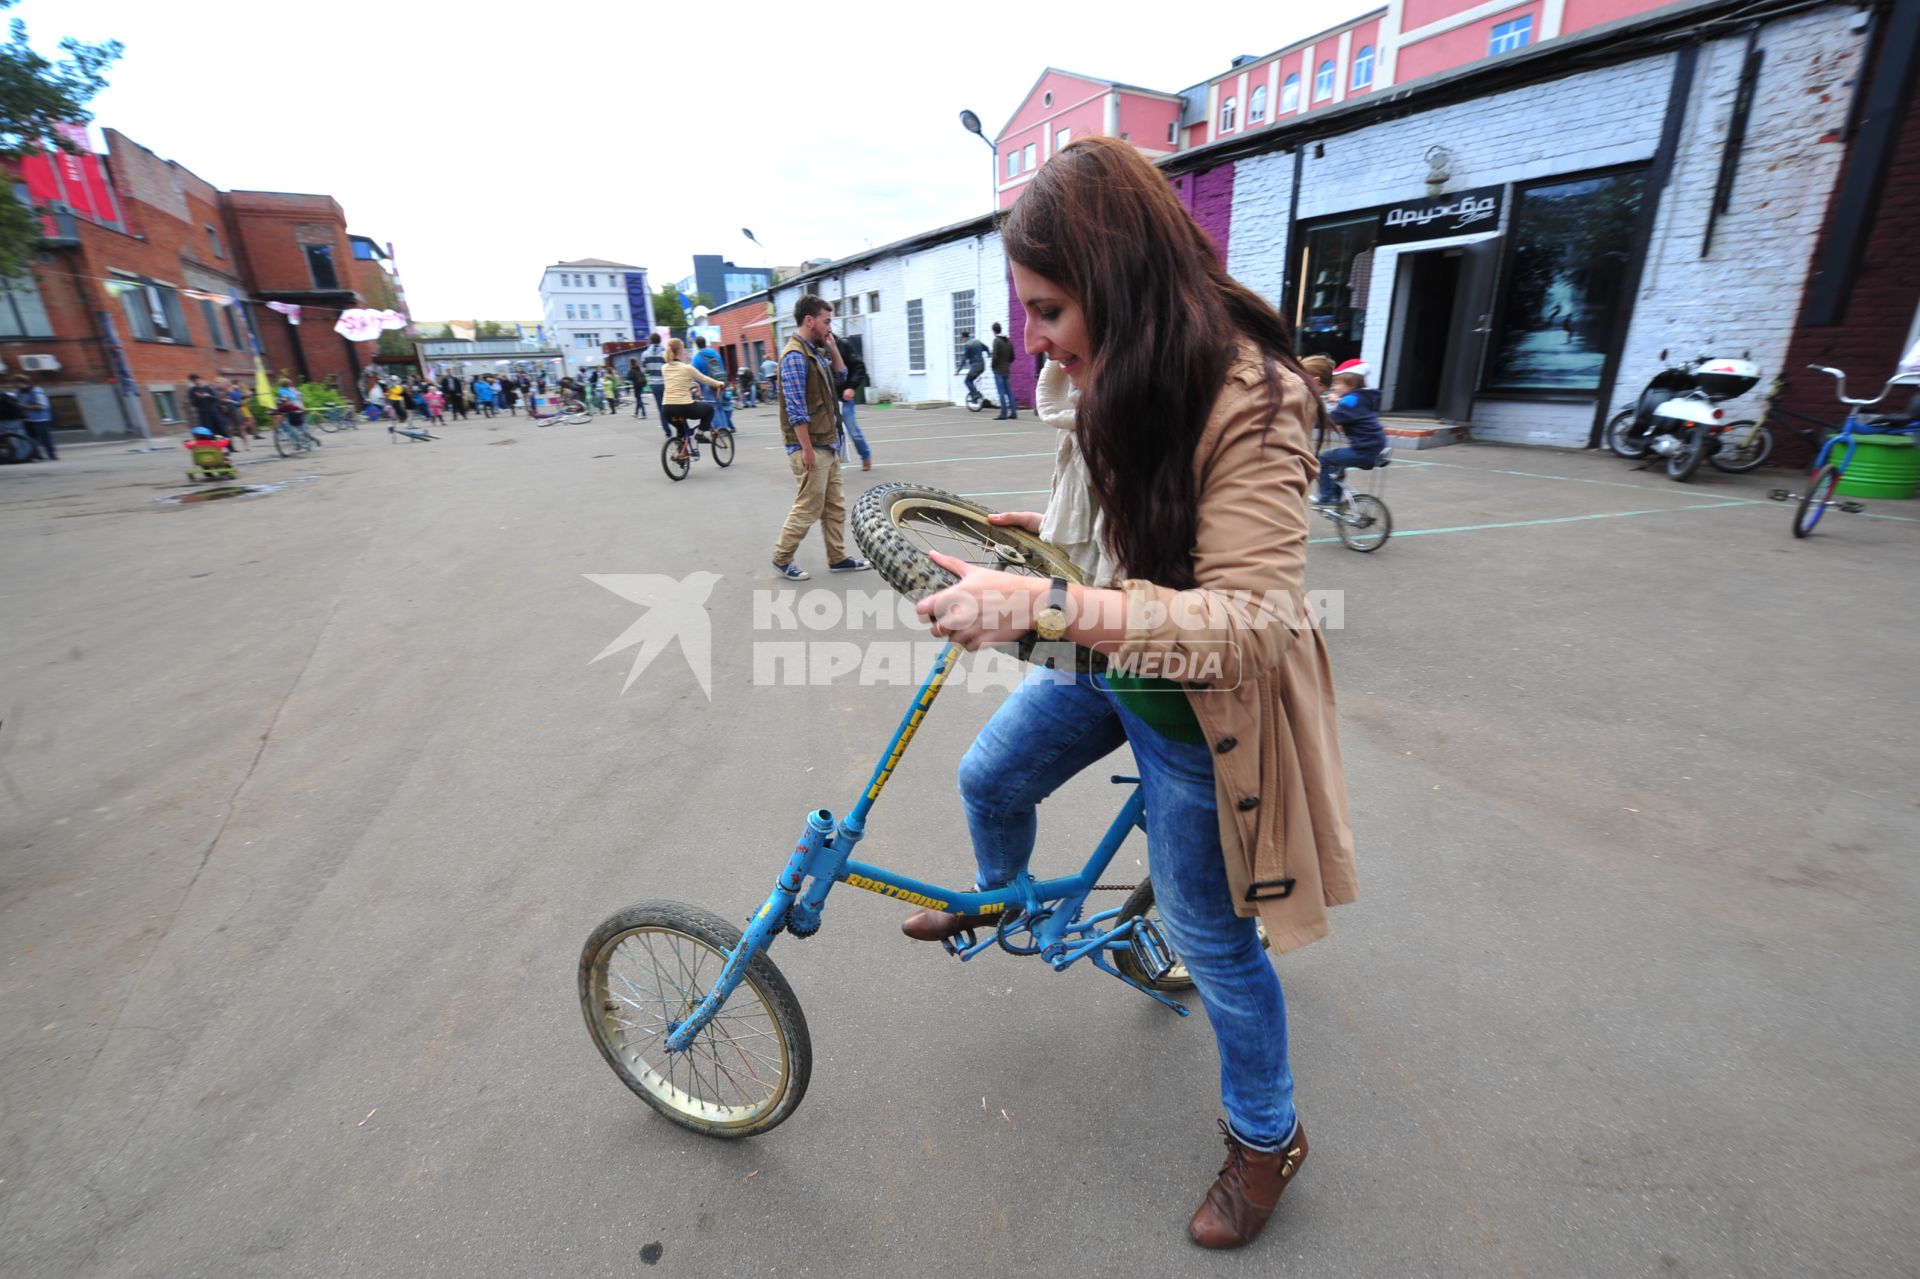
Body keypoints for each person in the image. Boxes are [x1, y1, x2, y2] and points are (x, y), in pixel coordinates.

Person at [900, 137, 1354, 1251]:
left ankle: (1266, 1136)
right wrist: (1037, 541)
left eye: (1049, 308)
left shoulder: (1252, 396)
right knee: (988, 773)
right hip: (1117, 665)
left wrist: (1043, 609)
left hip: (1199, 718)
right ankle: (1004, 896)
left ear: (1115, 282)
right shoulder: (1120, 369)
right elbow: (1121, 515)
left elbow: (1251, 625)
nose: (1034, 336)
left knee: (1215, 942)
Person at [771, 295, 871, 581]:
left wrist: (833, 348)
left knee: (834, 505)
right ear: (809, 320)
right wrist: (806, 450)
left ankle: (837, 557)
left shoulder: (816, 351)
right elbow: (795, 408)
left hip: (827, 441)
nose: (830, 326)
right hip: (809, 445)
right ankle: (782, 557)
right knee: (809, 506)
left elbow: (841, 380)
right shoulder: (794, 356)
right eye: (826, 321)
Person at [1311, 360, 1385, 507]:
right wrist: (1339, 400)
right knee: (1338, 463)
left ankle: (1326, 497)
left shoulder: (1350, 399)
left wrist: (1311, 420)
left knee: (1324, 459)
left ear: (1351, 385)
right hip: (1376, 448)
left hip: (1363, 450)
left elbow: (1332, 420)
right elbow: (1354, 411)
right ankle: (1335, 497)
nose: (1334, 388)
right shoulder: (1364, 397)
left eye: (1337, 384)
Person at [660, 337, 724, 463]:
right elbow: (704, 379)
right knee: (709, 409)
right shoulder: (687, 368)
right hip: (684, 406)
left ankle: (681, 456)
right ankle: (700, 434)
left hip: (667, 408)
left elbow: (677, 381)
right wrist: (719, 384)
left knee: (681, 431)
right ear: (680, 351)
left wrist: (692, 385)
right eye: (683, 350)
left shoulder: (664, 368)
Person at [837, 339, 874, 471]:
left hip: (844, 397)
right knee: (828, 434)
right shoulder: (815, 348)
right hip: (826, 400)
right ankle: (831, 464)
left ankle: (865, 456)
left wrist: (851, 387)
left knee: (853, 431)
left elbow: (859, 367)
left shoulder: (843, 345)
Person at [692, 336, 733, 433]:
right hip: (720, 383)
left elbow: (695, 374)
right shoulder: (716, 354)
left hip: (707, 386)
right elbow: (722, 368)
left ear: (697, 346)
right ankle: (725, 428)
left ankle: (719, 430)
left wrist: (698, 389)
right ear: (705, 343)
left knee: (713, 409)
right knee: (720, 407)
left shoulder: (697, 358)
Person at [13, 373, 55, 461]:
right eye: (16, 384)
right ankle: (36, 456)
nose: (16, 386)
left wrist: (26, 407)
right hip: (28, 419)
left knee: (45, 438)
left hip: (40, 419)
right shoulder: (19, 393)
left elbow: (43, 405)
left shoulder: (37, 391)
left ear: (25, 382)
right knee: (31, 439)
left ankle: (51, 455)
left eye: (18, 384)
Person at [641, 333, 670, 433]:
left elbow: (643, 370)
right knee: (672, 406)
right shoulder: (665, 352)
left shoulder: (645, 354)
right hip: (666, 383)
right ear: (660, 340)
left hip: (654, 384)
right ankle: (680, 428)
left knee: (661, 409)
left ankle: (667, 431)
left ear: (650, 341)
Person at [990, 321, 1018, 418]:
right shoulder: (1008, 341)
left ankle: (1003, 413)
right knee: (1009, 391)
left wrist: (993, 366)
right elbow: (1013, 357)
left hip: (998, 370)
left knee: (1001, 392)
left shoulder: (996, 341)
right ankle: (1014, 412)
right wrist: (1007, 363)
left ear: (994, 331)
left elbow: (995, 356)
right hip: (1007, 370)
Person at [956, 329, 989, 405]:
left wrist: (958, 370)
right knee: (971, 380)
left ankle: (975, 395)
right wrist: (989, 354)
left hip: (975, 367)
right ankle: (975, 396)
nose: (962, 340)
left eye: (962, 339)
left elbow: (963, 360)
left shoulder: (967, 345)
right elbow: (986, 347)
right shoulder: (977, 341)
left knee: (967, 381)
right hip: (982, 366)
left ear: (964, 337)